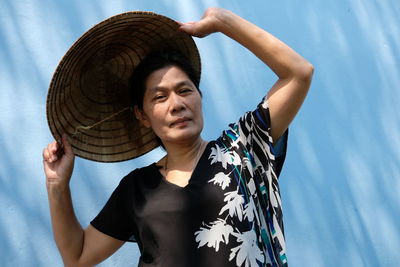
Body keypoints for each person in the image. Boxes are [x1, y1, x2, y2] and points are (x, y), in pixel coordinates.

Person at [43, 7, 313, 267]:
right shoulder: (137, 188)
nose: (177, 104)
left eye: (185, 90)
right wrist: (57, 184)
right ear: (142, 115)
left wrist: (222, 21)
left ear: (199, 97)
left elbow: (298, 73)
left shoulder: (241, 147)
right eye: (160, 97)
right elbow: (76, 257)